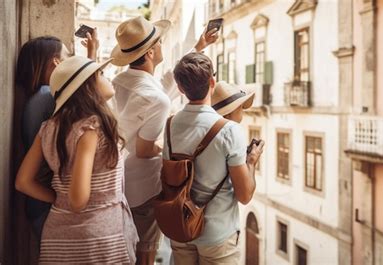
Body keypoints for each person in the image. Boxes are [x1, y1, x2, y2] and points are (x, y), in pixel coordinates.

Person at [110, 16, 218, 264]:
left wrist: (198, 48)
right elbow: (145, 149)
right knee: (144, 254)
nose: (162, 45)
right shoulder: (155, 99)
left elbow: (163, 85)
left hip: (121, 180)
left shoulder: (120, 82)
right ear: (149, 53)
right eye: (159, 42)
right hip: (144, 189)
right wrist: (172, 152)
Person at [15, 56, 138, 264]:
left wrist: (57, 198)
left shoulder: (48, 127)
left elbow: (23, 182)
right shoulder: (91, 129)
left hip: (57, 236)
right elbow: (78, 201)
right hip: (97, 237)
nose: (105, 77)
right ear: (87, 87)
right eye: (100, 74)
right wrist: (69, 198)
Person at [165, 52, 264, 264]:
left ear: (180, 88)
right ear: (212, 82)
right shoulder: (230, 131)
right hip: (216, 235)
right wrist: (252, 162)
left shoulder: (169, 125)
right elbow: (245, 195)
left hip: (180, 227)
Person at [14, 32, 99, 242]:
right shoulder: (47, 97)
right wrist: (60, 199)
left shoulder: (39, 96)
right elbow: (94, 95)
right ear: (56, 62)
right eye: (69, 55)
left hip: (40, 203)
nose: (72, 60)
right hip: (46, 202)